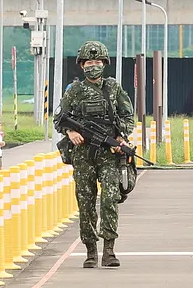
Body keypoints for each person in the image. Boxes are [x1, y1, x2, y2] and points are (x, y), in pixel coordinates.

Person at [54, 40, 136, 268]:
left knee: (110, 199)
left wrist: (121, 137)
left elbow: (128, 116)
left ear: (104, 64)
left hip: (109, 154)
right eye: (89, 62)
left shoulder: (113, 88)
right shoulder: (74, 91)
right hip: (83, 156)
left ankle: (109, 250)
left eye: (97, 62)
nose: (93, 65)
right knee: (86, 202)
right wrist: (70, 131)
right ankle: (91, 251)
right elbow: (59, 118)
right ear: (82, 65)